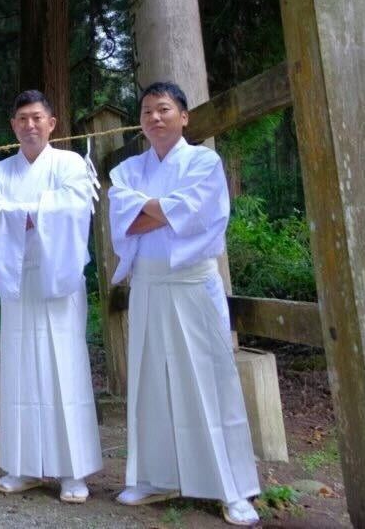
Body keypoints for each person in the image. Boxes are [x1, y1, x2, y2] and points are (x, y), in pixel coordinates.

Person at [108, 82, 260, 527]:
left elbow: (194, 213)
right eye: (147, 111)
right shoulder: (128, 170)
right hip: (148, 285)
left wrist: (148, 212)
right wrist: (169, 212)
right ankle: (154, 477)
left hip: (193, 284)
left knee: (210, 379)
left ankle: (232, 488)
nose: (155, 118)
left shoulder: (204, 162)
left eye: (164, 109)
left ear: (184, 116)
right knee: (150, 381)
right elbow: (124, 219)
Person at [0, 89, 102, 503]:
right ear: (13, 126)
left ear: (52, 123)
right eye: (22, 119)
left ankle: (72, 471)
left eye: (37, 118)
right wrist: (34, 212)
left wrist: (22, 213)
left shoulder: (71, 164)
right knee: (20, 371)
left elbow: (75, 209)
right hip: (18, 280)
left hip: (58, 278)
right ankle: (23, 465)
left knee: (65, 368)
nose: (30, 125)